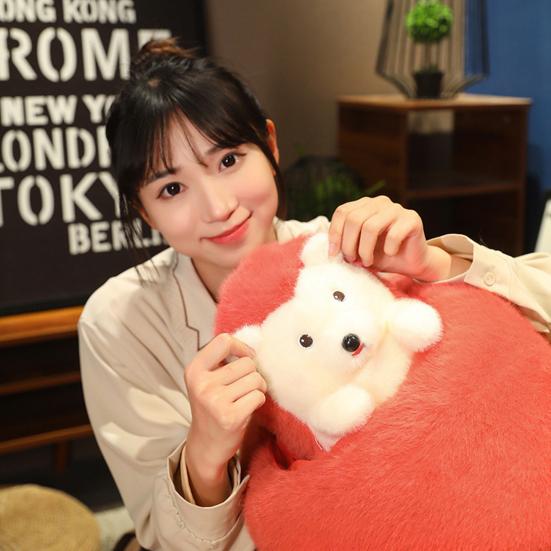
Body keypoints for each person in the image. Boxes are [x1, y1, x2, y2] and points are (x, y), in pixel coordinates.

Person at [78, 38, 551, 551]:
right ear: (142, 210)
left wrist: (434, 264)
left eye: (230, 159)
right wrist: (205, 454)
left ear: (270, 144)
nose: (217, 207)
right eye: (171, 189)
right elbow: (161, 535)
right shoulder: (119, 321)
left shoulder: (343, 249)